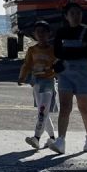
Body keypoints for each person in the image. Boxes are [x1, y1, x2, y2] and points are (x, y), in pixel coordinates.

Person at [53, 2, 87, 153]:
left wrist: (68, 53)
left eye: (78, 13)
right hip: (65, 75)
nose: (76, 16)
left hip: (83, 76)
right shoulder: (61, 32)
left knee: (84, 109)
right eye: (72, 13)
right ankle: (61, 140)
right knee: (65, 108)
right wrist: (75, 51)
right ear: (66, 16)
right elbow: (57, 52)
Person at [17, 21, 59, 149]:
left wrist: (55, 73)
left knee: (42, 111)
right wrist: (22, 77)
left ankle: (36, 137)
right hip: (36, 83)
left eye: (44, 32)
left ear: (49, 34)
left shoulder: (53, 50)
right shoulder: (32, 50)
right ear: (34, 34)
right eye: (38, 32)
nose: (41, 34)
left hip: (48, 83)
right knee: (42, 111)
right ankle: (52, 138)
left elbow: (58, 65)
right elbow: (27, 64)